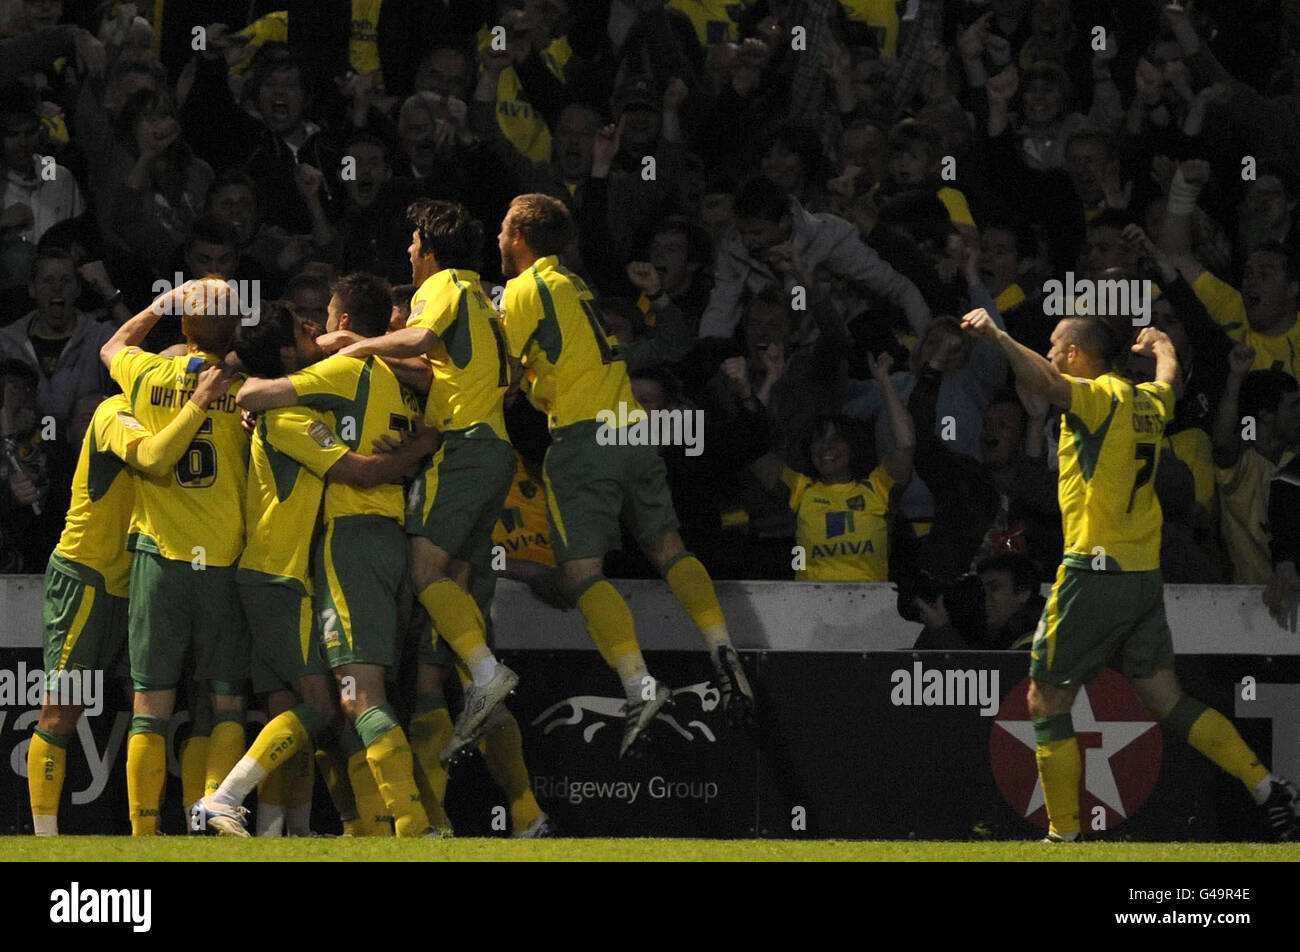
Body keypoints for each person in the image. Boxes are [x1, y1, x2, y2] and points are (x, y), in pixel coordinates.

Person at [960, 307, 1300, 842]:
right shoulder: (1147, 403)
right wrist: (1164, 343)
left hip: (1096, 571)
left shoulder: (1101, 396)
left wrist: (997, 335)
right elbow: (1169, 379)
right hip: (1142, 576)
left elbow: (1046, 379)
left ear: (1075, 354)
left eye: (1054, 343)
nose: (1049, 352)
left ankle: (1062, 836)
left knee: (1044, 699)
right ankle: (1265, 785)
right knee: (1166, 699)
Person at [497, 192, 754, 757]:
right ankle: (721, 646)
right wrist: (658, 297)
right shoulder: (579, 291)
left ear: (517, 236)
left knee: (582, 573)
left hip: (584, 441)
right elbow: (661, 347)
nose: (497, 241)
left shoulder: (524, 289)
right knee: (669, 548)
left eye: (501, 232)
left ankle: (639, 684)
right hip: (631, 433)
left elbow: (502, 372)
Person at [191, 302, 434, 837]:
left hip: (278, 574)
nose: (319, 333)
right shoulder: (292, 417)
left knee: (296, 705)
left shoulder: (300, 405)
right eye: (305, 330)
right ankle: (222, 799)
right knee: (324, 705)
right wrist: (426, 443)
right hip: (282, 577)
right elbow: (363, 472)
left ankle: (285, 831)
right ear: (284, 352)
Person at [332, 199, 520, 765]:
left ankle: (486, 673)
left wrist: (360, 346)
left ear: (430, 249)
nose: (409, 255)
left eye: (413, 246)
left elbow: (415, 343)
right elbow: (482, 375)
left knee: (422, 569)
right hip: (497, 449)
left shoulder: (444, 285)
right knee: (455, 579)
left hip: (462, 447)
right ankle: (477, 682)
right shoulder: (486, 301)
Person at [27, 366, 234, 835]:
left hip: (140, 577)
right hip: (90, 575)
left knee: (149, 705)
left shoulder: (170, 418)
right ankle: (44, 837)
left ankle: (165, 828)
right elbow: (155, 458)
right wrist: (200, 400)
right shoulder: (115, 413)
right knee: (63, 708)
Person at [99, 278, 250, 836]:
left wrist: (159, 304)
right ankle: (213, 816)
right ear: (236, 328)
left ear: (183, 329)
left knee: (150, 706)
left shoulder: (148, 373)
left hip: (159, 560)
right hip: (225, 563)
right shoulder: (249, 387)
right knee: (226, 702)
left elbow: (111, 347)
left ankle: (144, 836)